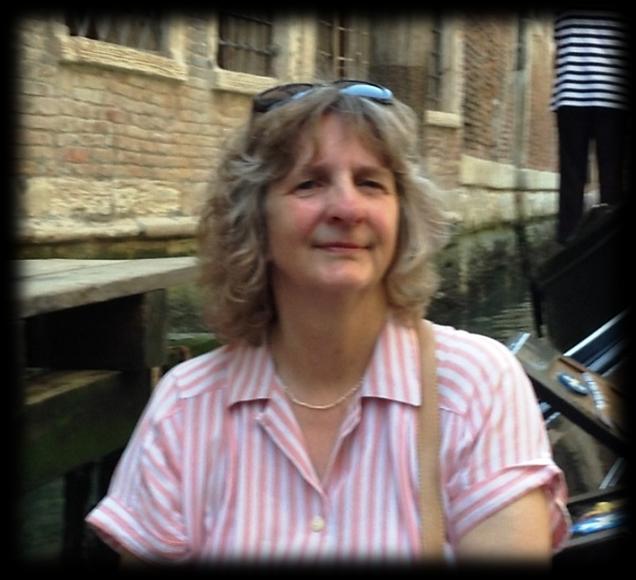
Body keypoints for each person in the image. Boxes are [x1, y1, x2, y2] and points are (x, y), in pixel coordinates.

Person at [86, 80, 570, 566]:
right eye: (310, 183)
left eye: (370, 183)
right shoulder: (185, 407)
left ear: (402, 218)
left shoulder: (477, 387)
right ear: (255, 221)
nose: (346, 209)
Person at [551, 10, 629, 245]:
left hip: (571, 93)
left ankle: (568, 242)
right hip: (612, 94)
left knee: (572, 176)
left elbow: (559, 40)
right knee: (612, 177)